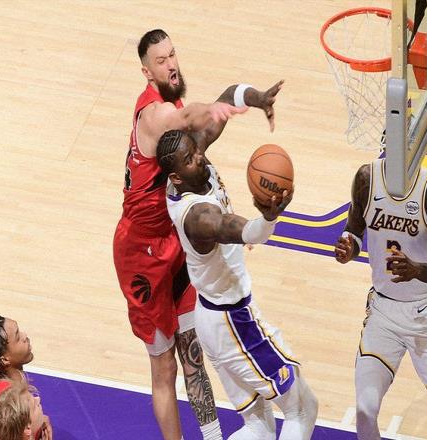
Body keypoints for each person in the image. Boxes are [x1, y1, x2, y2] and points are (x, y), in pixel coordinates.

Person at [113, 28, 283, 440]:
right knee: (164, 367)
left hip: (173, 241)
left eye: (172, 55)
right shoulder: (154, 115)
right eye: (161, 61)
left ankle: (210, 436)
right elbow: (193, 119)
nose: (171, 65)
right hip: (140, 253)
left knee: (193, 353)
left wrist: (252, 97)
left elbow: (214, 110)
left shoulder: (172, 104)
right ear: (146, 71)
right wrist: (216, 109)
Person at [157, 129, 318, 440]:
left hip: (212, 316)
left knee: (260, 427)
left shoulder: (188, 168)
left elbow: (211, 121)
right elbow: (246, 232)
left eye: (196, 150)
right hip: (234, 324)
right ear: (175, 177)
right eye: (189, 158)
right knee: (302, 408)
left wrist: (245, 103)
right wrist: (269, 217)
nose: (199, 157)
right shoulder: (199, 217)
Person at [334, 158, 427, 439]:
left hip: (423, 318)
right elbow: (354, 229)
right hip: (382, 314)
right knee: (364, 411)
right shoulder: (367, 178)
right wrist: (349, 247)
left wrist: (418, 270)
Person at [0, 317, 52, 440]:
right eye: (18, 338)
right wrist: (39, 424)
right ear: (5, 359)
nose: (25, 336)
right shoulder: (13, 401)